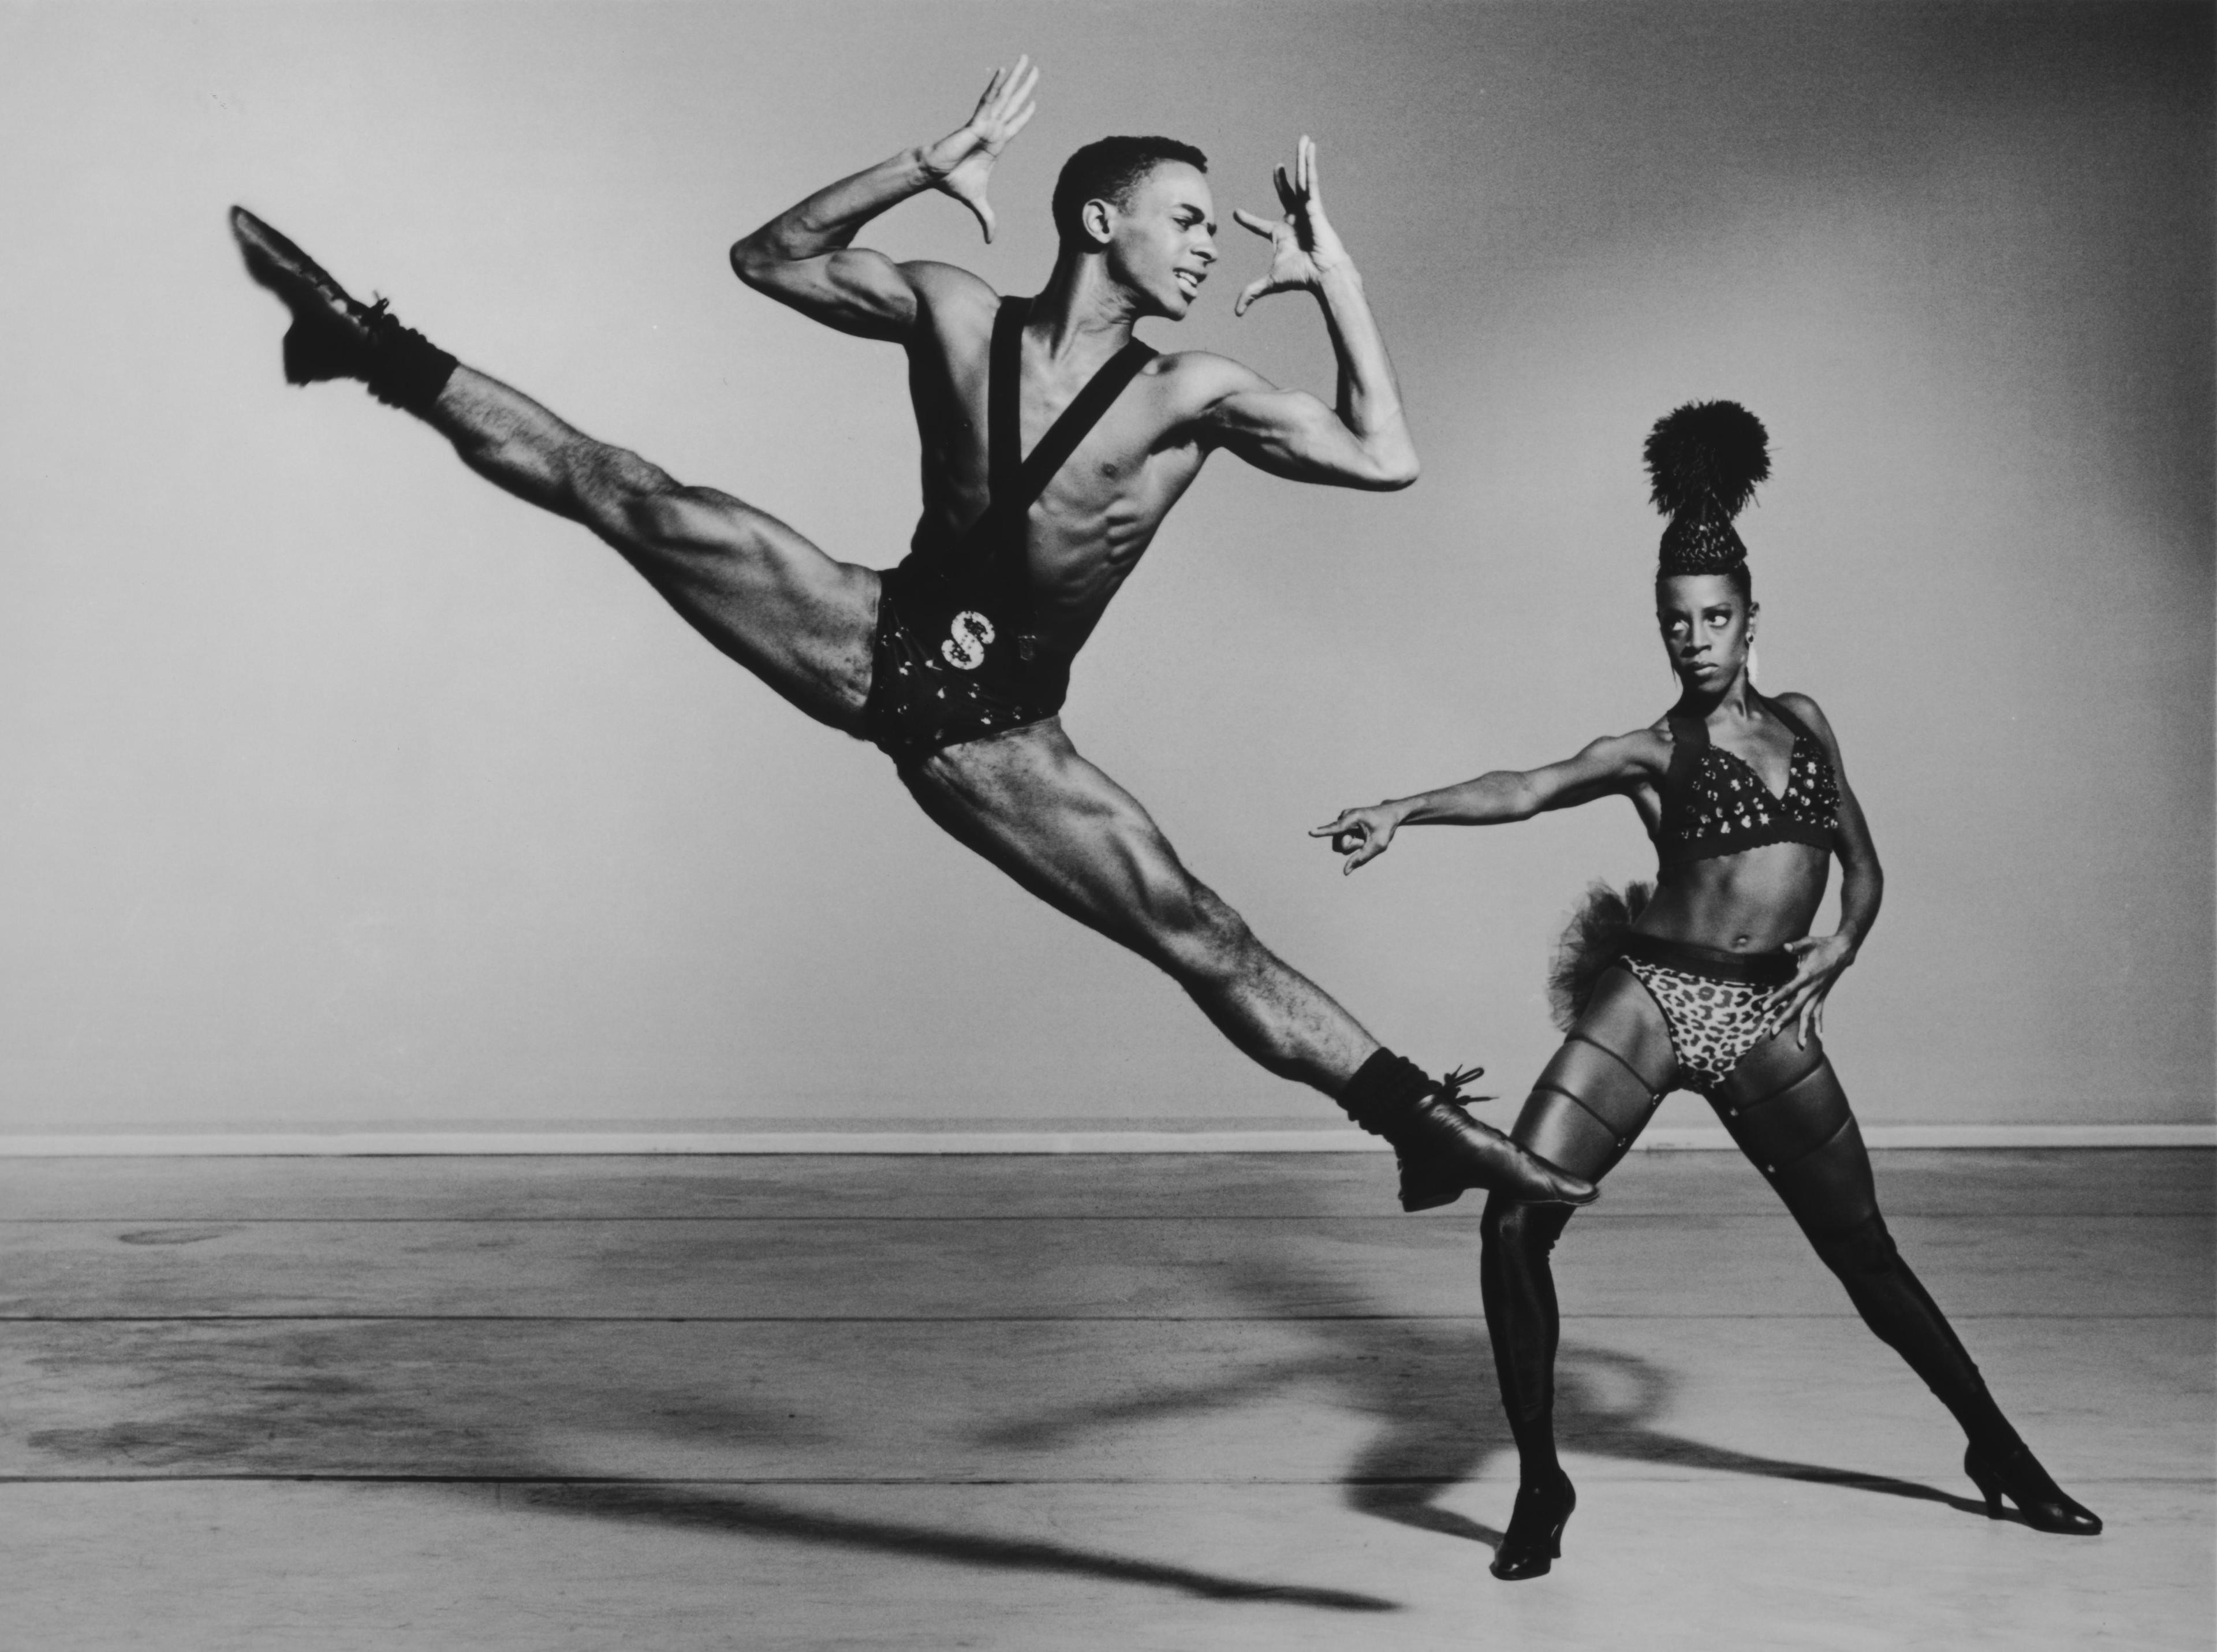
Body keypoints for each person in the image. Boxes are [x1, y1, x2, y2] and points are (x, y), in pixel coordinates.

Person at [225, 59, 1593, 1207]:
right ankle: (367, 343)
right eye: (1184, 218)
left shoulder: (1194, 393)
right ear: (1100, 218)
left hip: (998, 736)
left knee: (1202, 934)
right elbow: (772, 258)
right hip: (867, 632)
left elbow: (1385, 457)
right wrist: (926, 162)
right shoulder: (953, 311)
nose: (1207, 243)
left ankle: (1413, 1122)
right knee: (632, 495)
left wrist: (1334, 278)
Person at [1315, 401, 2100, 1578]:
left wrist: (1844, 944)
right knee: (1514, 1220)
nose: (1694, 641)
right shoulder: (1651, 752)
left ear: (1749, 620)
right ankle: (1541, 1485)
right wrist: (1404, 808)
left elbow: (1867, 869)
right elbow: (1526, 785)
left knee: (1866, 1254)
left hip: (1761, 1015)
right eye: (1675, 622)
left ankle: (1996, 1447)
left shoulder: (1807, 725)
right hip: (1650, 1000)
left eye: (1715, 619)